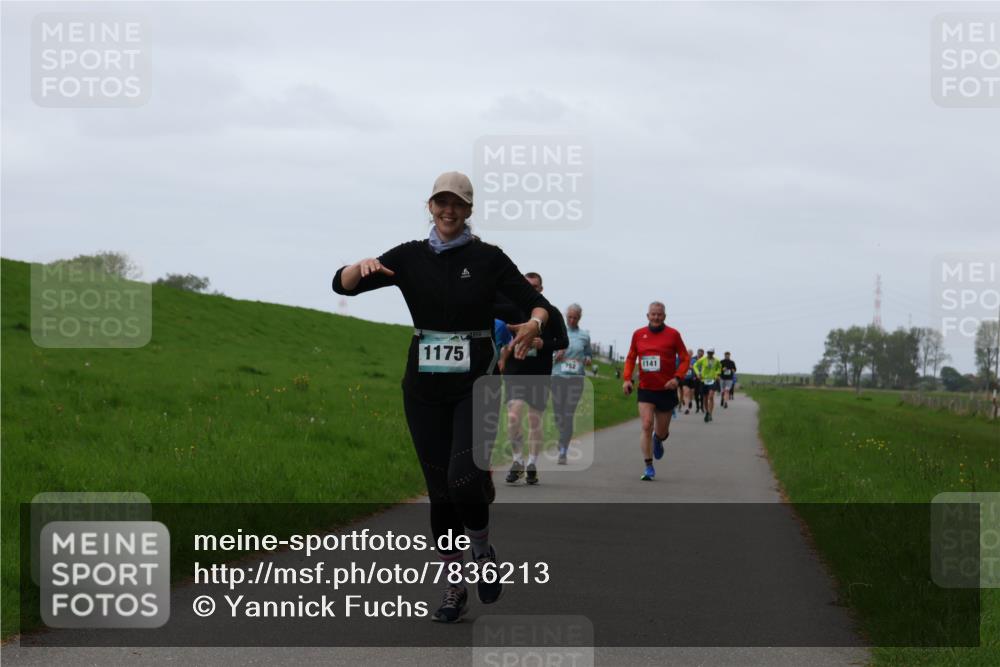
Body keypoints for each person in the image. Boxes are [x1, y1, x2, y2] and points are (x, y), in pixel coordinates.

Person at [332, 171, 558, 623]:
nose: (449, 211)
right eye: (441, 202)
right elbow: (343, 285)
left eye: (458, 203)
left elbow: (541, 307)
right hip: (422, 390)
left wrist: (534, 324)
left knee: (463, 480)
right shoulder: (409, 256)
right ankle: (455, 586)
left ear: (469, 210)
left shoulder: (489, 258)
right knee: (440, 494)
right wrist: (360, 267)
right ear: (430, 206)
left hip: (476, 385)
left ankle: (483, 553)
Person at [501, 273, 569, 485]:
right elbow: (499, 333)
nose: (531, 289)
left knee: (534, 420)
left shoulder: (551, 312)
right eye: (527, 285)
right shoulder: (511, 309)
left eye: (535, 286)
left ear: (541, 289)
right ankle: (517, 460)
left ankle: (532, 463)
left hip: (539, 373)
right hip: (515, 372)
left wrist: (543, 344)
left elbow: (563, 341)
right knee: (513, 416)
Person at [622, 302, 691, 481]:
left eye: (659, 314)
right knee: (646, 425)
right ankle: (648, 466)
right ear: (648, 316)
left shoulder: (673, 334)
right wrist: (627, 379)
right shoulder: (638, 334)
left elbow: (685, 358)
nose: (656, 317)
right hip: (646, 389)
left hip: (666, 389)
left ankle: (658, 440)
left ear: (664, 316)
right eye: (653, 314)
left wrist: (677, 378)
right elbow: (631, 357)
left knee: (662, 432)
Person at [551, 303, 592, 464]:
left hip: (576, 380)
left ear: (579, 318)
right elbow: (548, 352)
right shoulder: (557, 332)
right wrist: (556, 355)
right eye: (570, 317)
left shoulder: (584, 336)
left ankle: (563, 449)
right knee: (558, 414)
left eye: (575, 317)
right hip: (558, 377)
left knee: (568, 413)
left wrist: (587, 359)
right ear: (565, 316)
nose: (572, 320)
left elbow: (588, 353)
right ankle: (562, 436)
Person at [694, 348, 723, 423]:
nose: (710, 354)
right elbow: (695, 365)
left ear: (713, 353)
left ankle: (710, 413)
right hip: (704, 380)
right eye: (709, 353)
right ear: (707, 353)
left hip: (712, 380)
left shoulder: (717, 361)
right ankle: (707, 412)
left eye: (711, 353)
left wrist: (717, 374)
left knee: (711, 396)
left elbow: (719, 368)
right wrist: (698, 373)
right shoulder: (702, 359)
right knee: (705, 398)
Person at [681, 348, 696, 414]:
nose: (689, 354)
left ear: (692, 354)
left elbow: (697, 368)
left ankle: (690, 401)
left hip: (692, 379)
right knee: (686, 393)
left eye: (690, 353)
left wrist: (692, 367)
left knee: (691, 393)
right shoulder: (683, 360)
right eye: (688, 353)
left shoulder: (694, 360)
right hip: (685, 378)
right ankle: (686, 408)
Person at [692, 348, 705, 413]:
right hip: (695, 377)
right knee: (696, 393)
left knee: (701, 393)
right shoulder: (693, 359)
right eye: (699, 353)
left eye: (702, 353)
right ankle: (697, 407)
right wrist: (694, 376)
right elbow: (692, 367)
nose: (700, 354)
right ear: (697, 353)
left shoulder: (705, 359)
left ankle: (702, 407)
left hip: (702, 378)